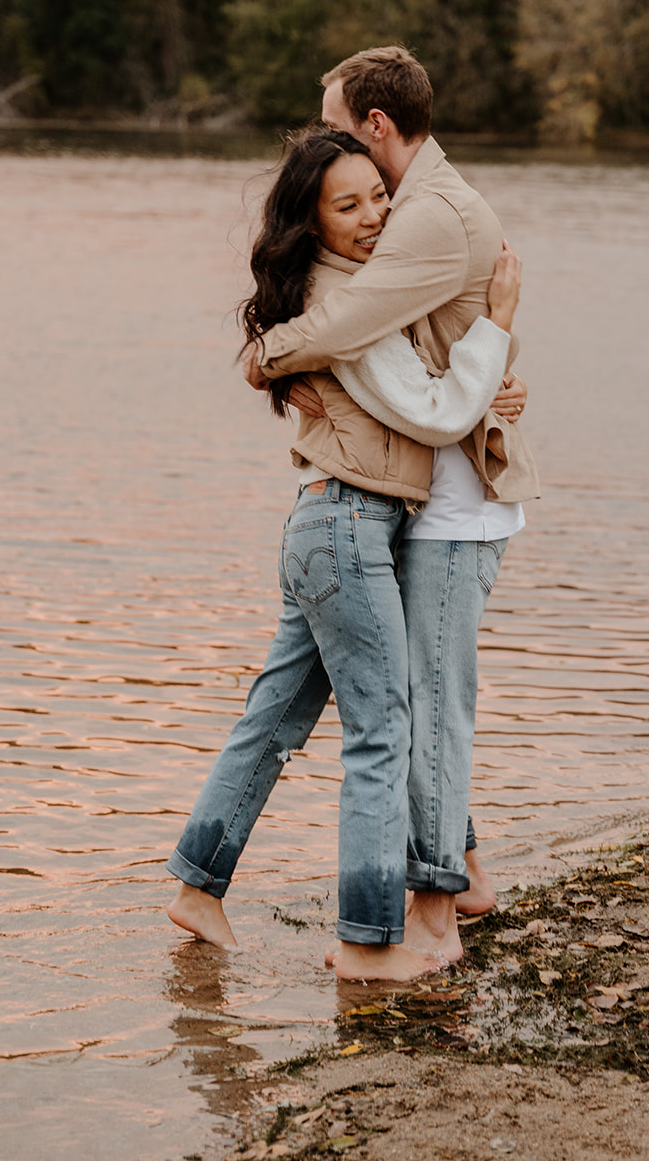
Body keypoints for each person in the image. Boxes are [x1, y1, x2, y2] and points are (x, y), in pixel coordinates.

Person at [167, 128, 521, 980]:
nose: (372, 216)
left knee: (277, 717)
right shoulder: (343, 306)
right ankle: (368, 940)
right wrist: (497, 325)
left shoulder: (358, 295)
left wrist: (499, 378)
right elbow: (436, 414)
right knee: (382, 729)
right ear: (312, 222)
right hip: (349, 529)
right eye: (347, 205)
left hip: (331, 529)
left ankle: (197, 886)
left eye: (377, 196)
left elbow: (438, 388)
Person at [243, 46, 540, 964]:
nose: (328, 141)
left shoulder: (426, 217)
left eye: (334, 121)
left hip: (455, 505)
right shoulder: (413, 205)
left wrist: (266, 356)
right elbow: (416, 346)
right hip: (431, 498)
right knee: (416, 700)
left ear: (373, 125)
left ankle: (435, 918)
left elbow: (345, 326)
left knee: (431, 710)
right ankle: (469, 872)